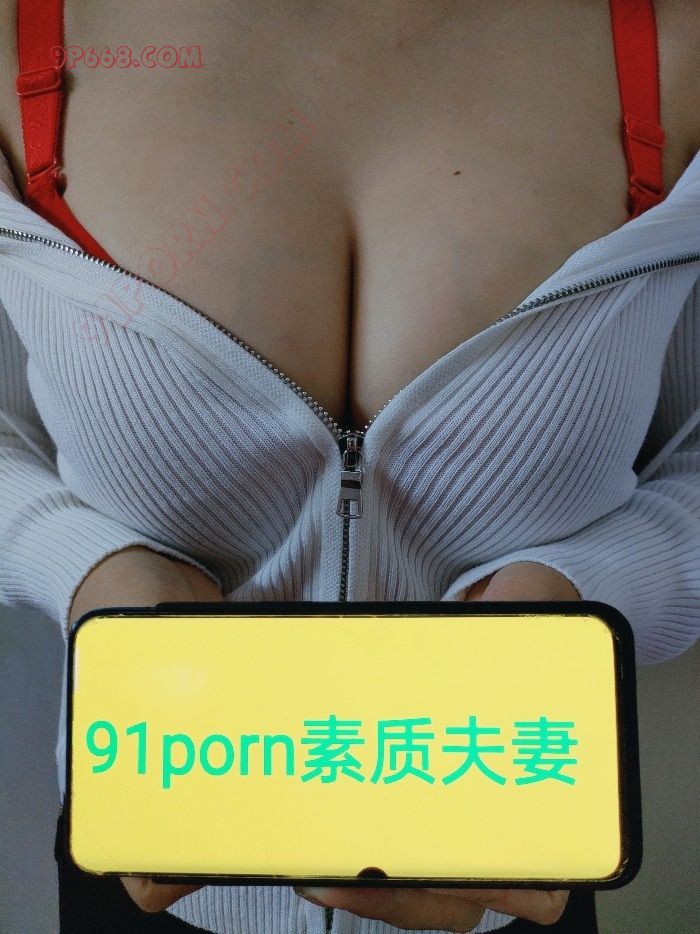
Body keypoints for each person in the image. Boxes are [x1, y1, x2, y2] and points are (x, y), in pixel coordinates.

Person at [0, 1, 698, 931]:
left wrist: (582, 594)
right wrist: (86, 568)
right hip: (146, 860)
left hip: (512, 859)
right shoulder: (23, 40)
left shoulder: (673, 45)